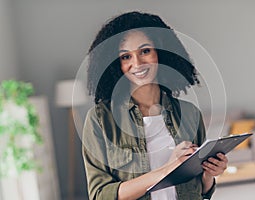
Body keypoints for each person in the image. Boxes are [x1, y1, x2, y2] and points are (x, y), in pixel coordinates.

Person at [82, 11, 228, 200]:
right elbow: (100, 195)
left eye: (145, 51)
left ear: (161, 52)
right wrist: (167, 169)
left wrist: (209, 174)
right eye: (126, 56)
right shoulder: (100, 120)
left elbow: (199, 190)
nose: (138, 63)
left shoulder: (190, 113)